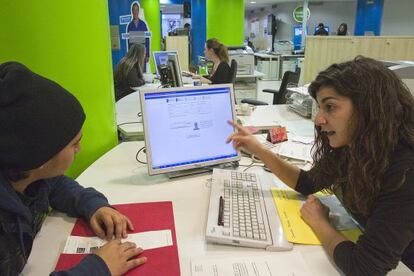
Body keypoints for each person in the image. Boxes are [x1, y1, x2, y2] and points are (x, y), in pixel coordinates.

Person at [227, 56, 414, 275]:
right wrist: (258, 149)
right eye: (320, 108)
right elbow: (308, 182)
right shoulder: (354, 146)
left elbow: (364, 269)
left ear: (369, 107)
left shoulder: (405, 169)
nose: (318, 119)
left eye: (330, 107)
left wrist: (320, 222)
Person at [0, 62, 147, 275]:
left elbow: (55, 183)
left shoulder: (29, 174)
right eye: (74, 143)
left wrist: (93, 205)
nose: (80, 149)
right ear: (40, 156)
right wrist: (98, 269)